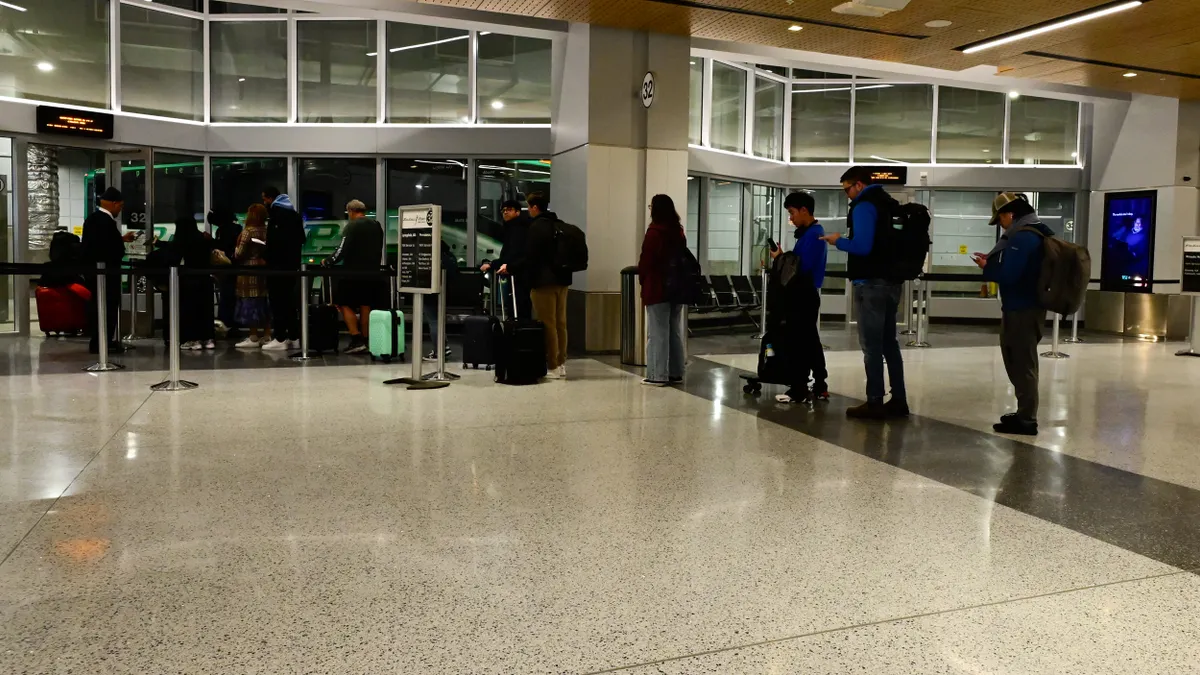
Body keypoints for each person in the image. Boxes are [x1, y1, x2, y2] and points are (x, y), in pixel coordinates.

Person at [820, 166, 908, 419]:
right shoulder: (888, 203)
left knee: (871, 347)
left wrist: (838, 240)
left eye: (847, 189)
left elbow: (862, 246)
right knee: (889, 343)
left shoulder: (864, 206)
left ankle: (874, 401)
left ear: (858, 185)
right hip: (892, 283)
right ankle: (899, 399)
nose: (847, 195)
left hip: (870, 283)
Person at [972, 192, 1054, 436]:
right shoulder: (1036, 231)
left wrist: (989, 267)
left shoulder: (1024, 236)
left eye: (1000, 219)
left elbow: (1010, 275)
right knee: (1020, 360)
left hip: (1022, 309)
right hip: (1026, 306)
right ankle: (1023, 413)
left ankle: (1027, 419)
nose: (1000, 224)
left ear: (1010, 214)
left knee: (1022, 363)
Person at [779, 190, 829, 402]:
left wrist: (781, 259)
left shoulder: (813, 235)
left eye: (792, 213)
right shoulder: (809, 233)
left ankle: (800, 385)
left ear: (804, 210)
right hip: (805, 294)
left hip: (803, 294)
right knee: (809, 339)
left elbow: (801, 268)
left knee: (800, 340)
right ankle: (819, 382)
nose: (791, 218)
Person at [637, 194, 688, 387]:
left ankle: (657, 374)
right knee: (674, 331)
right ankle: (675, 372)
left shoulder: (654, 232)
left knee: (657, 332)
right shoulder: (678, 231)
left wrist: (643, 280)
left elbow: (647, 261)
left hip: (657, 287)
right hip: (677, 287)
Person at [80, 186, 137, 355]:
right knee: (108, 307)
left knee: (99, 308)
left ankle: (100, 341)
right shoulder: (106, 222)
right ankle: (102, 342)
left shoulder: (93, 219)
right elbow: (110, 249)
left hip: (95, 273)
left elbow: (97, 245)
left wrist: (121, 239)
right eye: (120, 206)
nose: (120, 210)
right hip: (106, 274)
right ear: (113, 204)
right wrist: (120, 246)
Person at [323, 200, 384, 355]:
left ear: (350, 211)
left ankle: (355, 338)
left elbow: (342, 249)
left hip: (353, 273)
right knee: (365, 305)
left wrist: (328, 260)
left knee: (342, 303)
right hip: (372, 272)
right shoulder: (376, 225)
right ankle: (366, 340)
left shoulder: (352, 226)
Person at [524, 192, 572, 379]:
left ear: (535, 207)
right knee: (561, 323)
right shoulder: (558, 225)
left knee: (547, 324)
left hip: (543, 283)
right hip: (562, 281)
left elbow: (531, 257)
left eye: (528, 207)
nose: (528, 210)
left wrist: (528, 279)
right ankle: (561, 363)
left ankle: (552, 365)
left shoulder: (537, 227)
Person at [261, 185, 306, 352]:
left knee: (278, 302)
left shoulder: (277, 216)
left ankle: (280, 337)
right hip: (292, 266)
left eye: (264, 198)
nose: (264, 202)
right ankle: (294, 337)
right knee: (289, 302)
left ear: (270, 198)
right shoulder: (294, 215)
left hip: (277, 267)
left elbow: (273, 243)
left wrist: (265, 253)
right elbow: (301, 238)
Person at [169, 216, 218, 350]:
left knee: (190, 309)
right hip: (205, 278)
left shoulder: (182, 240)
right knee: (206, 310)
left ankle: (193, 339)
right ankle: (208, 339)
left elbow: (174, 256)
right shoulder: (203, 238)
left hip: (189, 279)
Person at [481, 199, 532, 320]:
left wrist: (493, 264)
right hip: (519, 272)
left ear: (517, 212)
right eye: (503, 210)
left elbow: (513, 253)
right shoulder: (513, 227)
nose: (505, 212)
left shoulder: (518, 228)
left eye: (509, 210)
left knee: (517, 308)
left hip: (518, 274)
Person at [234, 204, 272, 348]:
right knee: (264, 301)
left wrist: (236, 248)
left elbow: (239, 253)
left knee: (250, 302)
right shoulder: (267, 231)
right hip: (264, 269)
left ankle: (253, 335)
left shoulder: (247, 232)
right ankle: (267, 334)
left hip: (248, 271)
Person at [422, 239, 457, 363]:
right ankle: (444, 346)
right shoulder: (450, 256)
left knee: (433, 320)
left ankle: (439, 350)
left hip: (431, 292)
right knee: (438, 319)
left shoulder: (431, 257)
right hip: (446, 292)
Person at [210, 210, 242, 337]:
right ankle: (234, 324)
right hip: (236, 266)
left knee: (226, 296)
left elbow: (222, 246)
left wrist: (211, 241)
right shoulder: (238, 228)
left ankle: (226, 323)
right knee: (233, 296)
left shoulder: (223, 231)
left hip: (227, 268)